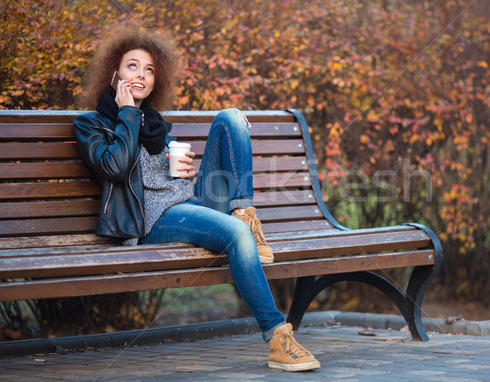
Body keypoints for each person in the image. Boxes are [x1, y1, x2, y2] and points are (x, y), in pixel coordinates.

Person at [74, 26, 320, 372]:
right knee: (236, 235)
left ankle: (244, 211)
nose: (141, 75)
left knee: (230, 118)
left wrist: (183, 172)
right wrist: (127, 111)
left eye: (149, 70)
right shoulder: (91, 125)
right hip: (152, 219)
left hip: (187, 204)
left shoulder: (154, 125)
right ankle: (278, 339)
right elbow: (115, 167)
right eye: (132, 66)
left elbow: (159, 175)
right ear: (114, 72)